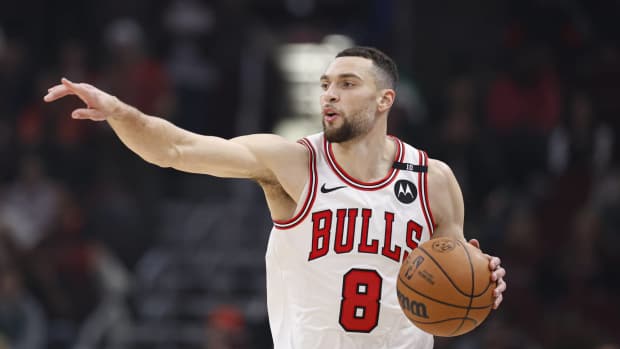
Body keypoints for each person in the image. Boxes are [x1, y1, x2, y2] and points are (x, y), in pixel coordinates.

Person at [44, 46, 507, 349]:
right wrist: (121, 112)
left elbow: (456, 277)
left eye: (347, 84)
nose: (330, 95)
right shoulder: (292, 162)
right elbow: (176, 148)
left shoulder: (434, 180)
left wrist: (484, 284)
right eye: (325, 84)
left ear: (385, 100)